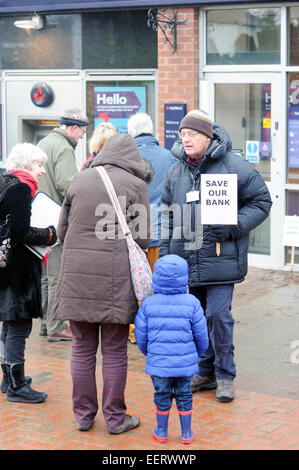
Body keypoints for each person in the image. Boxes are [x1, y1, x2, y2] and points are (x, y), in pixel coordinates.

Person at [159, 109, 272, 403]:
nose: (185, 140)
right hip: (188, 259)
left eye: (191, 134)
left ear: (207, 137)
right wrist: (167, 253)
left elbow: (261, 201)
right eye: (182, 134)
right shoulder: (177, 170)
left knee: (218, 315)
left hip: (222, 260)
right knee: (196, 318)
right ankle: (204, 370)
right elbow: (168, 212)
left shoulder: (234, 166)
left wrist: (234, 225)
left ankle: (225, 375)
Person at [52, 133, 153, 433]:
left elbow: (60, 232)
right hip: (115, 280)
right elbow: (144, 237)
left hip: (76, 278)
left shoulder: (80, 180)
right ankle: (115, 418)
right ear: (133, 158)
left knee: (82, 349)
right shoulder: (137, 185)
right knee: (114, 350)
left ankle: (83, 416)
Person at [0, 143, 57, 403]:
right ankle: (16, 385)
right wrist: (49, 234)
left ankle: (7, 378)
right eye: (39, 165)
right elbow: (21, 232)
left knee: (9, 324)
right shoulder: (22, 188)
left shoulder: (5, 182)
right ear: (25, 167)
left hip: (5, 265)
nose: (42, 171)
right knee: (19, 325)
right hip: (17, 270)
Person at [134, 254, 208, 444]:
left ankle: (161, 431)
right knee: (184, 394)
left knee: (162, 395)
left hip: (158, 364)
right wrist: (196, 354)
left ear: (156, 277)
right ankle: (186, 433)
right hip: (185, 364)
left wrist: (150, 354)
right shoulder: (192, 303)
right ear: (185, 277)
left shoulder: (148, 304)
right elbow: (202, 336)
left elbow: (140, 336)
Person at [37, 108, 89, 342]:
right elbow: (67, 185)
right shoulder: (64, 148)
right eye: (82, 133)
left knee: (46, 276)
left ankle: (46, 324)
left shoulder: (46, 142)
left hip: (38, 218)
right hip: (55, 218)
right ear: (74, 128)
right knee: (57, 274)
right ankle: (57, 326)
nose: (81, 138)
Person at [127, 113, 176, 343]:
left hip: (134, 234)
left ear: (130, 133)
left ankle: (137, 331)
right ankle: (158, 328)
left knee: (135, 286)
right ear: (152, 131)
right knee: (160, 284)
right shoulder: (170, 157)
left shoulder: (126, 158)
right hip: (162, 232)